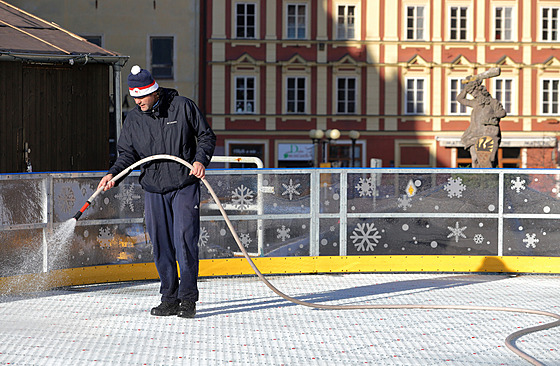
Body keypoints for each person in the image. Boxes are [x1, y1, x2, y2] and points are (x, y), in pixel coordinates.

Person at [98, 65, 216, 318]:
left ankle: (187, 299)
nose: (137, 101)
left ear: (153, 91)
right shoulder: (134, 119)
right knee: (161, 245)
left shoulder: (182, 107)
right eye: (134, 96)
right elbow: (127, 155)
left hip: (184, 184)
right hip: (153, 188)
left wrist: (200, 160)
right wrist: (113, 175)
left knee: (184, 241)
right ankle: (169, 298)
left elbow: (206, 136)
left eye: (141, 96)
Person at [458, 79, 507, 168]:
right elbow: (460, 99)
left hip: (489, 133)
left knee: (489, 160)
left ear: (480, 90)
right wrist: (467, 87)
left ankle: (488, 178)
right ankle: (476, 178)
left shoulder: (492, 102)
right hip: (475, 134)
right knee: (475, 159)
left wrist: (493, 116)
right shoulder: (475, 103)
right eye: (471, 93)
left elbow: (502, 113)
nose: (473, 94)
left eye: (474, 91)